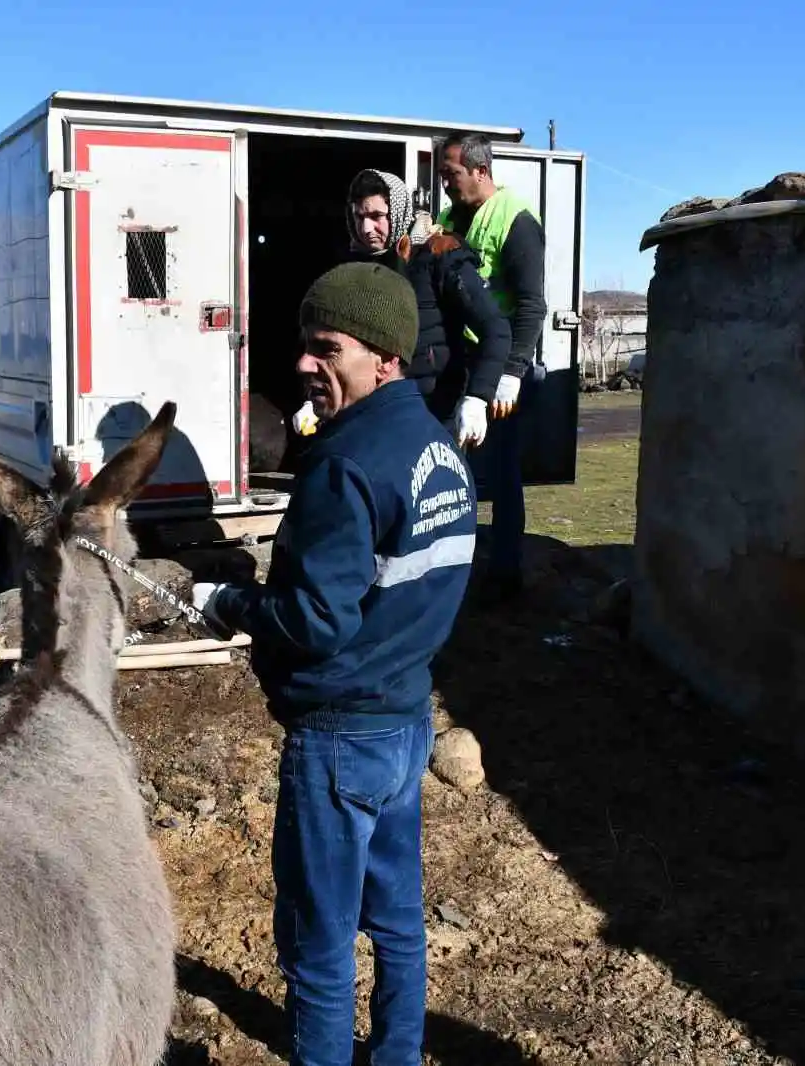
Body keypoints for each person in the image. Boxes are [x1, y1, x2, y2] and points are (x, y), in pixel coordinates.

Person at [191, 262, 477, 1066]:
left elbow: (314, 622)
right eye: (305, 347)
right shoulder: (438, 449)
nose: (305, 366)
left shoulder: (345, 464)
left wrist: (233, 605)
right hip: (405, 725)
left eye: (328, 349)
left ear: (385, 358)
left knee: (318, 945)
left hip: (340, 739)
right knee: (396, 925)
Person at [436, 131, 548, 596]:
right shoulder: (448, 218)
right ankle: (445, 571)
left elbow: (530, 306)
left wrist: (511, 373)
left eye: (452, 174)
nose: (445, 184)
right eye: (443, 174)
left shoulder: (516, 220)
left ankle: (504, 574)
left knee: (502, 473)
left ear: (481, 171)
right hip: (456, 365)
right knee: (447, 468)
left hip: (499, 368)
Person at [340, 168, 511, 449]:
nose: (366, 228)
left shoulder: (440, 254)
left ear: (396, 211)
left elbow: (495, 328)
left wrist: (478, 397)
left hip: (434, 413)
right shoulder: (356, 268)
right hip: (378, 414)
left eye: (376, 216)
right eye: (359, 217)